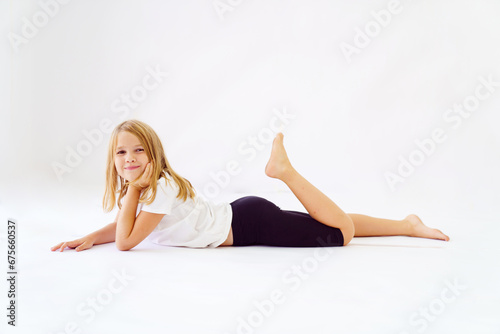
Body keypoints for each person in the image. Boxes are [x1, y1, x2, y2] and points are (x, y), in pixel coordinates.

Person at [51, 119, 449, 252]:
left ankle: (285, 172)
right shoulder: (151, 190)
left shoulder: (154, 188)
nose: (130, 160)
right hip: (242, 213)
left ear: (153, 154)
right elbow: (127, 227)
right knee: (332, 220)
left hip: (248, 225)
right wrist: (89, 237)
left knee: (339, 234)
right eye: (122, 154)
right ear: (112, 160)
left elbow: (126, 240)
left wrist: (134, 191)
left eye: (138, 151)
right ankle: (407, 224)